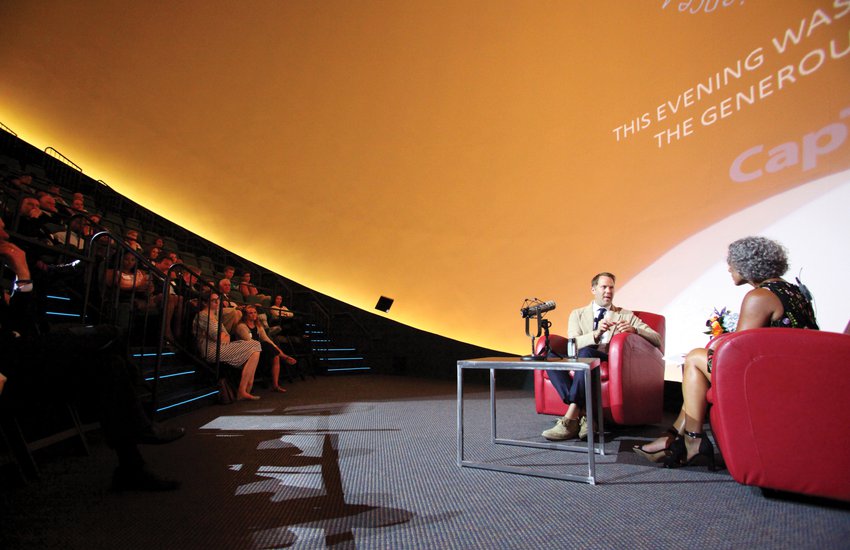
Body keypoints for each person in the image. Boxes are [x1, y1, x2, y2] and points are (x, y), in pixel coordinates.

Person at [0, 217, 184, 491]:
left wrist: (22, 274)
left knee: (109, 367)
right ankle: (141, 422)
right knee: (111, 333)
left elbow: (24, 324)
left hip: (26, 355)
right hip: (12, 362)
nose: (5, 232)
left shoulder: (9, 272)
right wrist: (22, 270)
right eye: (0, 228)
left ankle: (131, 469)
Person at [634, 236, 819, 468]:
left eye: (732, 262)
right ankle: (674, 438)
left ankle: (692, 440)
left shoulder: (760, 297)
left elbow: (739, 357)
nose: (729, 268)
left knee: (694, 358)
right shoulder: (794, 291)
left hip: (771, 383)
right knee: (697, 370)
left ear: (747, 265)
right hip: (796, 378)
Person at [542, 272, 661, 441]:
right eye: (604, 287)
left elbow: (657, 338)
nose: (608, 291)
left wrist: (634, 330)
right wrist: (596, 334)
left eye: (611, 287)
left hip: (606, 359)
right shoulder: (578, 314)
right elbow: (572, 343)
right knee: (549, 356)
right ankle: (584, 414)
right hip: (580, 356)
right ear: (593, 289)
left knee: (587, 353)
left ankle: (569, 419)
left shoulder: (625, 315)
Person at [193, 290, 262, 400]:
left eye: (218, 300)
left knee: (255, 349)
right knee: (255, 345)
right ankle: (246, 387)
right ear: (206, 303)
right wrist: (222, 336)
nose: (217, 303)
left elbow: (227, 336)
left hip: (221, 347)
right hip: (210, 350)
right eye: (214, 301)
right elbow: (218, 337)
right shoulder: (202, 316)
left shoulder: (215, 317)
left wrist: (223, 336)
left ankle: (244, 389)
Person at [234, 305, 297, 393]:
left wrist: (277, 349)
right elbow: (249, 342)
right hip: (246, 351)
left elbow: (266, 338)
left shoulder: (258, 325)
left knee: (275, 355)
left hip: (258, 349)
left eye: (255, 312)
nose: (253, 315)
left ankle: (275, 385)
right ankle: (284, 357)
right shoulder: (241, 326)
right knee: (266, 346)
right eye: (250, 313)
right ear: (245, 315)